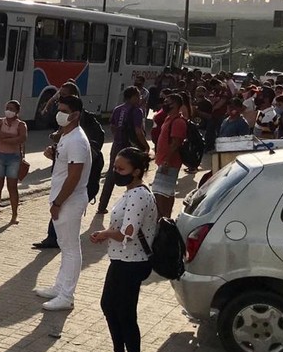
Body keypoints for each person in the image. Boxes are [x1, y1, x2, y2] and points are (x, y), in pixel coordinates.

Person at [90, 147, 158, 352]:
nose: (116, 172)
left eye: (121, 169)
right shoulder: (132, 191)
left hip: (132, 262)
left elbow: (127, 232)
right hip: (121, 260)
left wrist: (104, 233)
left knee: (126, 314)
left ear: (136, 171)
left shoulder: (139, 195)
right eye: (115, 168)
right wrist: (107, 235)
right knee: (109, 305)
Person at [33, 95, 92, 311]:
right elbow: (67, 166)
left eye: (64, 110)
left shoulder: (77, 139)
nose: (59, 114)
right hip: (64, 199)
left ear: (75, 114)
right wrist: (53, 156)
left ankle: (67, 295)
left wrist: (58, 202)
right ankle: (60, 287)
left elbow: (74, 176)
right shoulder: (67, 135)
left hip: (69, 200)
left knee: (70, 248)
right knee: (65, 247)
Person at [97, 87, 148, 215]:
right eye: (138, 96)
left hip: (117, 146)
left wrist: (118, 138)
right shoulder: (137, 111)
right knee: (133, 175)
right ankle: (131, 205)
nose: (140, 98)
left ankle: (102, 206)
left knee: (112, 174)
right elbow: (138, 131)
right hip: (131, 148)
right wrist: (145, 146)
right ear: (132, 97)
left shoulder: (117, 109)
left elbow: (113, 127)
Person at [0, 100, 27, 224]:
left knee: (12, 187)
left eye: (11, 109)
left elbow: (22, 138)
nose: (8, 111)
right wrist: (11, 137)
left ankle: (14, 214)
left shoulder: (21, 124)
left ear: (17, 111)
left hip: (13, 158)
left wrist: (4, 137)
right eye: (7, 108)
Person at [153, 94, 187, 219]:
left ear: (176, 105)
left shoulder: (178, 122)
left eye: (169, 101)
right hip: (164, 160)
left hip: (169, 163)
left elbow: (175, 143)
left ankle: (163, 218)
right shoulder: (169, 118)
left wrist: (167, 161)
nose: (166, 103)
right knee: (166, 192)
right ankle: (164, 217)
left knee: (161, 193)